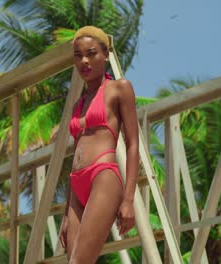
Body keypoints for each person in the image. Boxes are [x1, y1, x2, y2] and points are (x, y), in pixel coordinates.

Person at [59, 26, 140, 263]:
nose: (84, 61)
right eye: (78, 55)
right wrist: (66, 214)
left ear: (105, 55)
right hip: (77, 186)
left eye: (91, 53)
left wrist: (128, 199)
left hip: (102, 177)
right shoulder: (78, 104)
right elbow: (75, 156)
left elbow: (133, 143)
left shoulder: (119, 88)